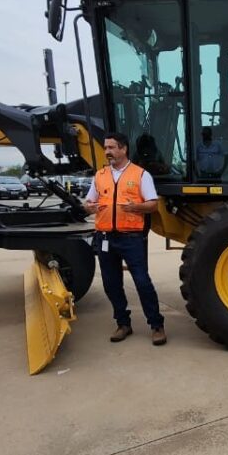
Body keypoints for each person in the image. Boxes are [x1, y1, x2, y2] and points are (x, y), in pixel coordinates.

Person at [83, 132, 167, 345]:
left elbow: (153, 204)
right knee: (111, 284)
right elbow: (87, 203)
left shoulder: (140, 175)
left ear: (123, 149)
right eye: (106, 148)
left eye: (111, 147)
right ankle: (123, 324)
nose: (107, 152)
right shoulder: (100, 175)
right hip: (104, 237)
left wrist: (135, 207)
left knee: (142, 282)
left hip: (131, 238)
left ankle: (156, 325)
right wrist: (88, 207)